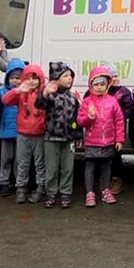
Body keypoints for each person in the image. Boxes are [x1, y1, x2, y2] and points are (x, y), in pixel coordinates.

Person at [35, 62, 82, 208]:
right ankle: (50, 194)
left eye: (71, 76)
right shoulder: (50, 95)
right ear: (56, 78)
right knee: (52, 167)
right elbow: (39, 104)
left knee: (67, 168)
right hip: (51, 138)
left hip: (68, 139)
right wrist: (45, 93)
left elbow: (76, 118)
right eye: (66, 76)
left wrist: (79, 135)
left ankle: (66, 193)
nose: (70, 79)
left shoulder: (72, 98)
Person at [77, 66, 125, 207]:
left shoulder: (112, 101)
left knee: (106, 167)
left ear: (107, 85)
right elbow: (80, 121)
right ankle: (90, 193)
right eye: (96, 84)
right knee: (90, 167)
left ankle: (106, 190)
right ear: (91, 85)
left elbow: (119, 121)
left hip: (108, 142)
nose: (99, 87)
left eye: (102, 84)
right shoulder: (87, 102)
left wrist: (119, 139)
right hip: (92, 141)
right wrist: (89, 117)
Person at [1, 64, 47, 204]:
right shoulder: (21, 93)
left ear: (40, 79)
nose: (32, 81)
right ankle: (21, 189)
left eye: (35, 78)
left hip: (39, 134)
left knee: (40, 164)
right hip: (23, 134)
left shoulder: (43, 93)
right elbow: (5, 100)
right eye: (28, 78)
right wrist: (17, 90)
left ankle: (40, 189)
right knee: (22, 163)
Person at [0, 59, 25, 197]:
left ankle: (17, 182)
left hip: (21, 132)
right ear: (8, 78)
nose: (15, 81)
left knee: (19, 159)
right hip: (6, 132)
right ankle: (4, 182)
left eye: (18, 78)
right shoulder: (3, 91)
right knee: (6, 158)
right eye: (12, 78)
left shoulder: (24, 92)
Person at [105, 64, 134, 196]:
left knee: (115, 155)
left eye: (116, 76)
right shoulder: (97, 90)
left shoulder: (123, 92)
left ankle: (117, 179)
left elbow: (128, 109)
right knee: (101, 156)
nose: (115, 79)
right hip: (100, 131)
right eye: (112, 77)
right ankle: (104, 178)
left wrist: (115, 117)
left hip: (116, 129)